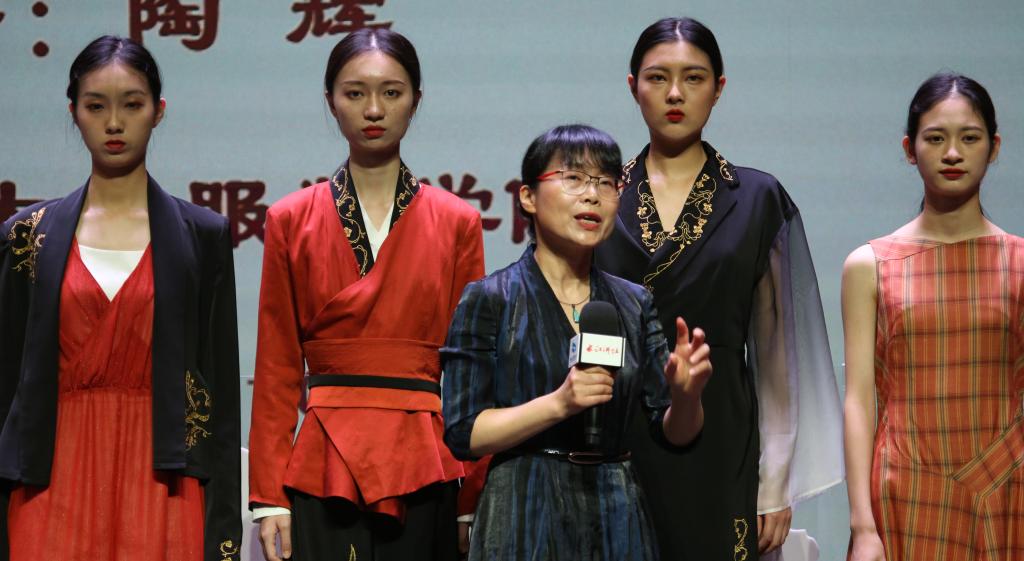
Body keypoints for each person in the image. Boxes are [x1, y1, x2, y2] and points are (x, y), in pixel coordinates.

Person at [595, 17, 844, 560]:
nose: (675, 93)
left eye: (694, 77)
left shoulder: (757, 197)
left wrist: (775, 481)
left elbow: (776, 353)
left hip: (723, 430)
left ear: (719, 88)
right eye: (658, 78)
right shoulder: (603, 193)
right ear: (633, 86)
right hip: (616, 430)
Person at [247, 28, 485, 561]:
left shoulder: (457, 222)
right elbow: (277, 364)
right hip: (323, 457)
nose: (373, 109)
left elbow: (471, 373)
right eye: (354, 93)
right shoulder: (291, 219)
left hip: (424, 457)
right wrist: (268, 498)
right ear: (330, 101)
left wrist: (471, 496)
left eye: (391, 93)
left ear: (415, 101)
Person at [0, 35, 241, 561]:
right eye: (96, 107)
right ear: (73, 112)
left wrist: (224, 530)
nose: (114, 123)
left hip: (163, 478)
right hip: (48, 476)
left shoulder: (203, 235)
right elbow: (4, 382)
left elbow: (219, 392)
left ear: (158, 111)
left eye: (132, 105)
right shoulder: (24, 236)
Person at [442, 124, 712, 560]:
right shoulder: (491, 298)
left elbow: (675, 434)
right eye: (573, 178)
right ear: (528, 197)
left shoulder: (633, 303)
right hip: (523, 509)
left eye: (606, 183)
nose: (592, 196)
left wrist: (686, 397)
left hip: (617, 511)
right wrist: (559, 404)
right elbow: (463, 431)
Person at [843, 73, 1023, 561]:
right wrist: (863, 526)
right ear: (910, 148)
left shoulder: (1020, 263)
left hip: (1007, 487)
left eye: (970, 138)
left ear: (994, 146)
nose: (953, 154)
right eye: (936, 138)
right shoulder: (871, 265)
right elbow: (859, 400)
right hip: (905, 488)